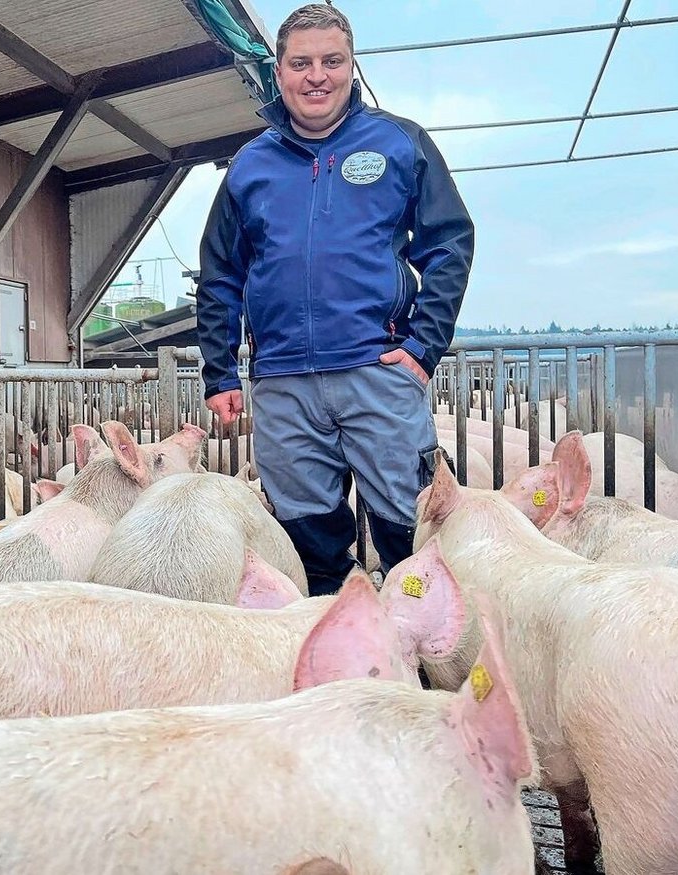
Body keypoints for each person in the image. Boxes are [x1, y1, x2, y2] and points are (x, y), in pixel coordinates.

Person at [196, 3, 474, 596]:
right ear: (279, 71)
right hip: (283, 383)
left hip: (377, 371)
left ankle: (420, 669)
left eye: (331, 61)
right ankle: (332, 651)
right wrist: (220, 371)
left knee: (412, 533)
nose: (315, 75)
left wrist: (424, 347)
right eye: (300, 62)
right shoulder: (250, 165)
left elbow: (448, 244)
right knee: (307, 539)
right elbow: (220, 273)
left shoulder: (400, 143)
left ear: (352, 67)